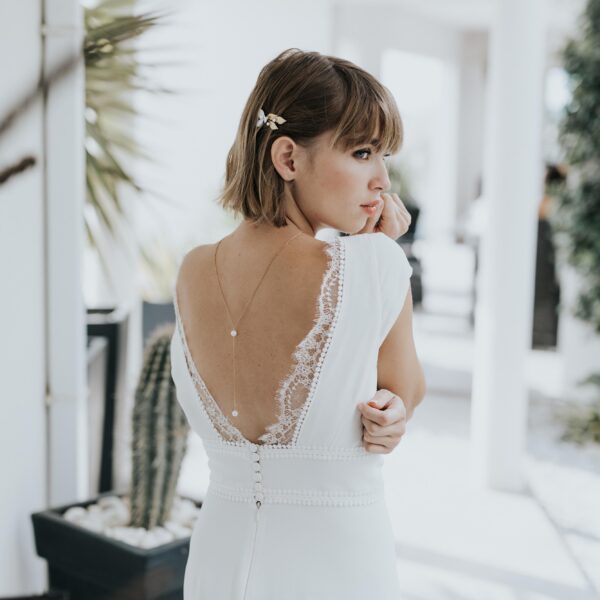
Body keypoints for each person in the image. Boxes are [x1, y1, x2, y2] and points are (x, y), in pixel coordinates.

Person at [170, 48, 426, 599]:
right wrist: (380, 254)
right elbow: (404, 391)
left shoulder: (191, 270)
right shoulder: (374, 263)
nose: (382, 179)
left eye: (383, 156)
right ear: (288, 157)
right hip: (338, 562)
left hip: (218, 560)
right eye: (362, 152)